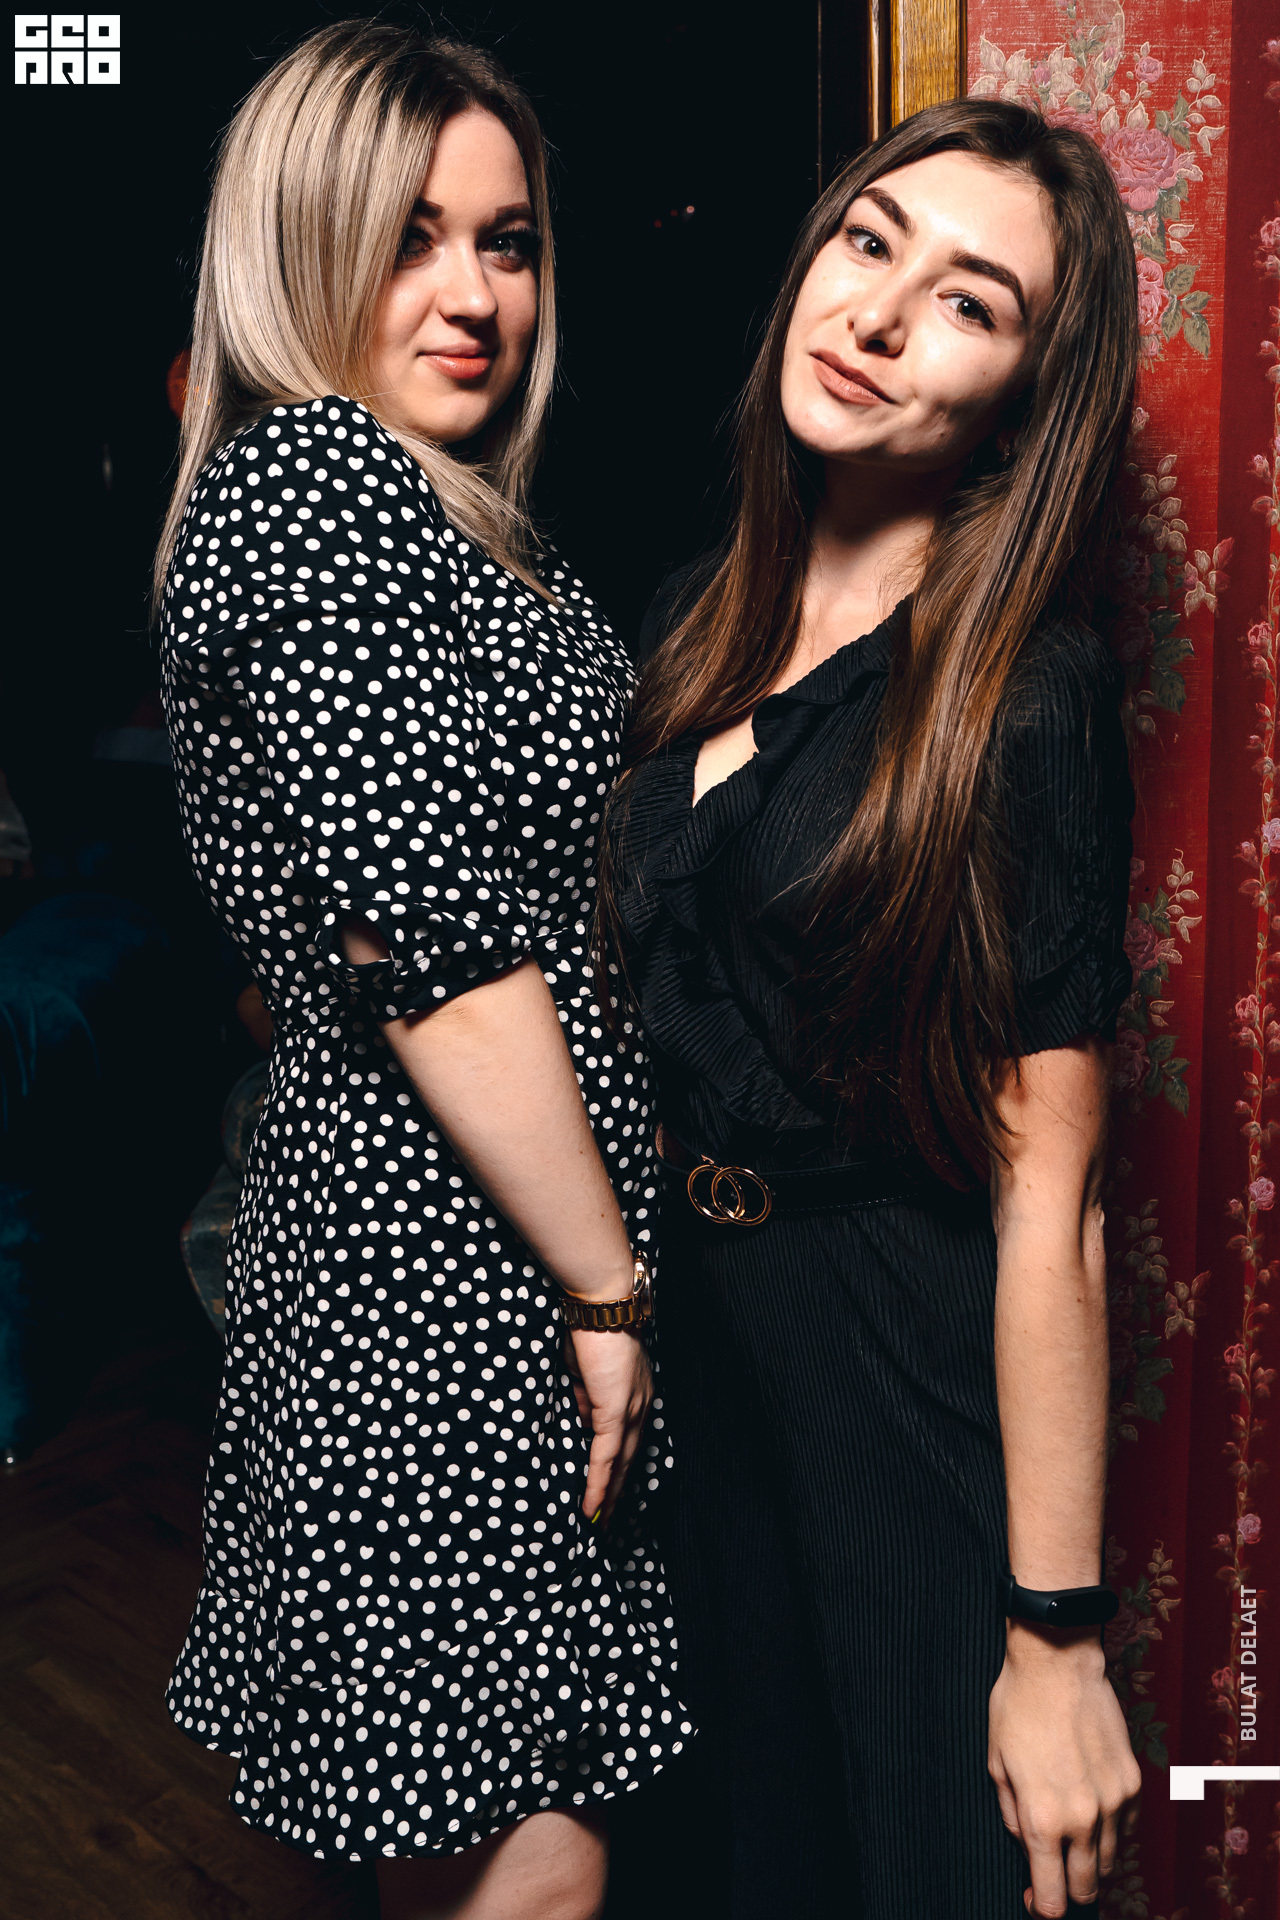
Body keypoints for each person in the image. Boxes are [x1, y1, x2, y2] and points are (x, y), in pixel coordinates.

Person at [156, 23, 689, 1919]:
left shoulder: (443, 509)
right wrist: (606, 1282)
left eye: (508, 240)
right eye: (409, 237)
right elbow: (433, 947)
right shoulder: (312, 480)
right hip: (439, 1268)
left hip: (475, 1240)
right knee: (529, 1861)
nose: (475, 295)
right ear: (298, 245)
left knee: (498, 1834)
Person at [599, 99, 1143, 1919]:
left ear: (1021, 400)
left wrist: (1056, 1636)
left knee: (932, 1868)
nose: (885, 315)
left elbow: (1052, 1203)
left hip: (887, 1356)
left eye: (971, 303)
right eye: (870, 241)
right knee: (743, 1865)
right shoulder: (696, 614)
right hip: (697, 1349)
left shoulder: (1019, 693)